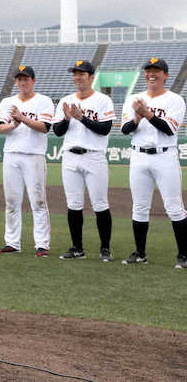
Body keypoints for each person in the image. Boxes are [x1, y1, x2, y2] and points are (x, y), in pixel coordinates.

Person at [119, 57, 187, 268]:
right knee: (139, 207)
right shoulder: (134, 98)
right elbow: (124, 129)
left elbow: (169, 129)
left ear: (165, 75)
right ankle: (140, 254)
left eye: (156, 70)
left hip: (165, 156)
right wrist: (137, 118)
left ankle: (184, 255)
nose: (151, 74)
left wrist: (146, 113)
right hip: (139, 156)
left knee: (174, 208)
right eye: (148, 70)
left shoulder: (175, 100)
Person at [52, 60, 115, 262]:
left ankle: (105, 248)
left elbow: (104, 129)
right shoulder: (66, 100)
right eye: (75, 74)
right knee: (73, 204)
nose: (77, 77)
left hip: (94, 156)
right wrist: (66, 118)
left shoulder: (103, 100)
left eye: (81, 74)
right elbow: (57, 131)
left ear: (91, 77)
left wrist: (81, 118)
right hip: (70, 156)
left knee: (100, 203)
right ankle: (77, 248)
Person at [0, 65, 53, 256]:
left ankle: (42, 244)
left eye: (26, 78)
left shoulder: (43, 101)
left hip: (34, 155)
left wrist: (23, 119)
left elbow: (44, 127)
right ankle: (12, 242)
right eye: (19, 79)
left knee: (38, 201)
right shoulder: (7, 101)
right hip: (12, 154)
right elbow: (0, 128)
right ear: (15, 81)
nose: (22, 82)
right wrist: (14, 124)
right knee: (11, 201)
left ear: (33, 81)